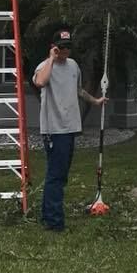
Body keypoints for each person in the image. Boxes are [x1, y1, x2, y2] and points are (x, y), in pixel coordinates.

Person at [33, 28, 107, 231]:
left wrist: (96, 101)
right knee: (56, 175)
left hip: (70, 128)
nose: (65, 51)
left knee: (60, 174)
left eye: (68, 47)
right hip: (53, 129)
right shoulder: (45, 66)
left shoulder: (73, 65)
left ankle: (48, 215)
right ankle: (54, 222)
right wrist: (51, 58)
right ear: (54, 47)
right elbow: (40, 82)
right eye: (61, 47)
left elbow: (78, 90)